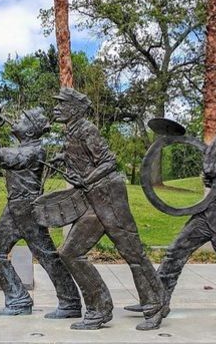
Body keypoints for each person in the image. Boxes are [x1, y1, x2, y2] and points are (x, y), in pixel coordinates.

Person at [126, 114, 216, 319]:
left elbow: (209, 168)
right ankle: (155, 301)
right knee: (176, 251)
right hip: (210, 211)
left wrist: (215, 142)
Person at [52, 87, 168, 331]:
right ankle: (99, 309)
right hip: (93, 200)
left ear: (74, 108)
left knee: (133, 253)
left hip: (109, 197)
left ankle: (155, 305)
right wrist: (63, 157)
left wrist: (89, 177)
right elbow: (83, 158)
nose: (56, 108)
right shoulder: (72, 132)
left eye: (61, 104)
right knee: (70, 252)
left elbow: (108, 161)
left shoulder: (87, 129)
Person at [0, 106, 81, 318]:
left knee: (46, 256)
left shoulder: (34, 151)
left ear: (31, 132)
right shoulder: (25, 147)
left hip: (27, 209)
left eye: (23, 119)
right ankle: (18, 300)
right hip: (14, 207)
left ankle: (70, 302)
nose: (16, 119)